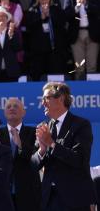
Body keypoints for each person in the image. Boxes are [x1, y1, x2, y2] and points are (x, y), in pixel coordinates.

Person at [32, 81, 96, 211]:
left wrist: (51, 143)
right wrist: (42, 150)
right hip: (49, 199)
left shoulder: (81, 125)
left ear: (60, 98)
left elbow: (79, 159)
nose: (42, 102)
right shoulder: (43, 127)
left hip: (75, 199)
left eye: (46, 98)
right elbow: (34, 165)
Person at [0, 98, 41, 211]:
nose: (12, 108)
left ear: (24, 112)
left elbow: (36, 159)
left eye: (16, 106)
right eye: (8, 106)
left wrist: (20, 145)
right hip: (2, 194)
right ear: (4, 112)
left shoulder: (34, 132)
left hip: (28, 194)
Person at [24, 0, 69, 81]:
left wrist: (50, 15)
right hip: (38, 51)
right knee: (38, 76)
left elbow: (63, 24)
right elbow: (28, 26)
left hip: (54, 50)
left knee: (55, 76)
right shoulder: (32, 10)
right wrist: (41, 18)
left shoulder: (56, 9)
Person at [64, 0, 100, 80]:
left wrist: (87, 4)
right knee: (79, 67)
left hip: (92, 33)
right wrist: (77, 7)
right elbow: (66, 16)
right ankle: (79, 93)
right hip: (77, 34)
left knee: (92, 67)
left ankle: (93, 93)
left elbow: (98, 10)